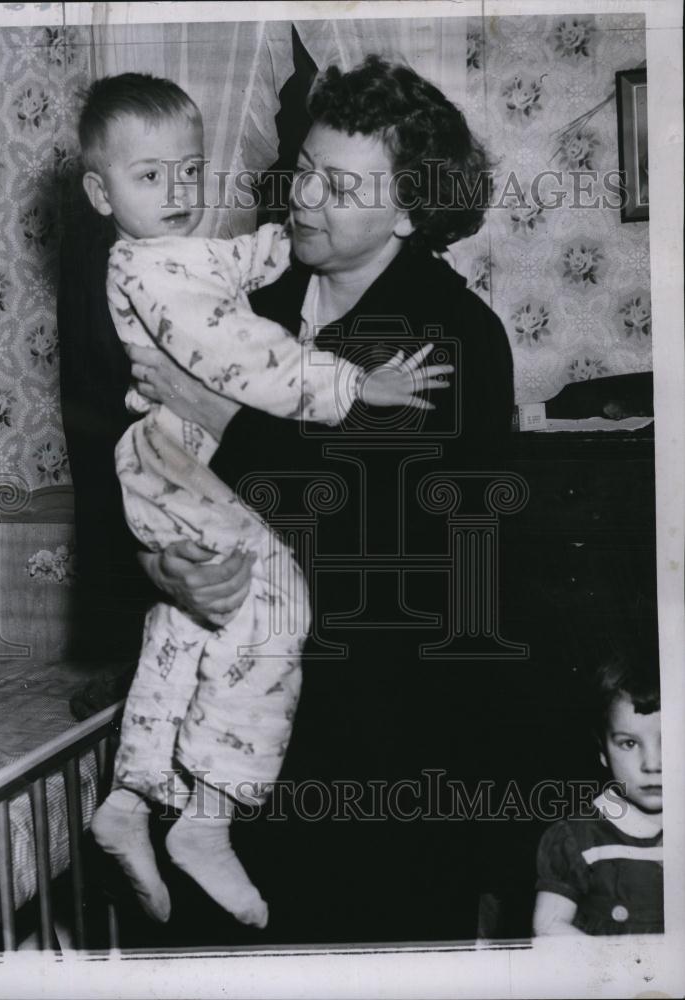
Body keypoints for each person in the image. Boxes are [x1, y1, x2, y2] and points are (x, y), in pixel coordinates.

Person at [126, 55, 516, 945]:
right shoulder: (238, 307)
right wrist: (169, 567)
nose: (301, 196)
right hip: (227, 697)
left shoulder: (448, 337)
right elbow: (155, 473)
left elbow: (373, 533)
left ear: (409, 210)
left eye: (339, 184)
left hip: (381, 721)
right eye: (303, 167)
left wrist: (216, 412)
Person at [533, 642, 663, 936]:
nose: (653, 764)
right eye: (629, 743)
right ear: (603, 751)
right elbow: (549, 927)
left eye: (672, 739)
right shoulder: (580, 838)